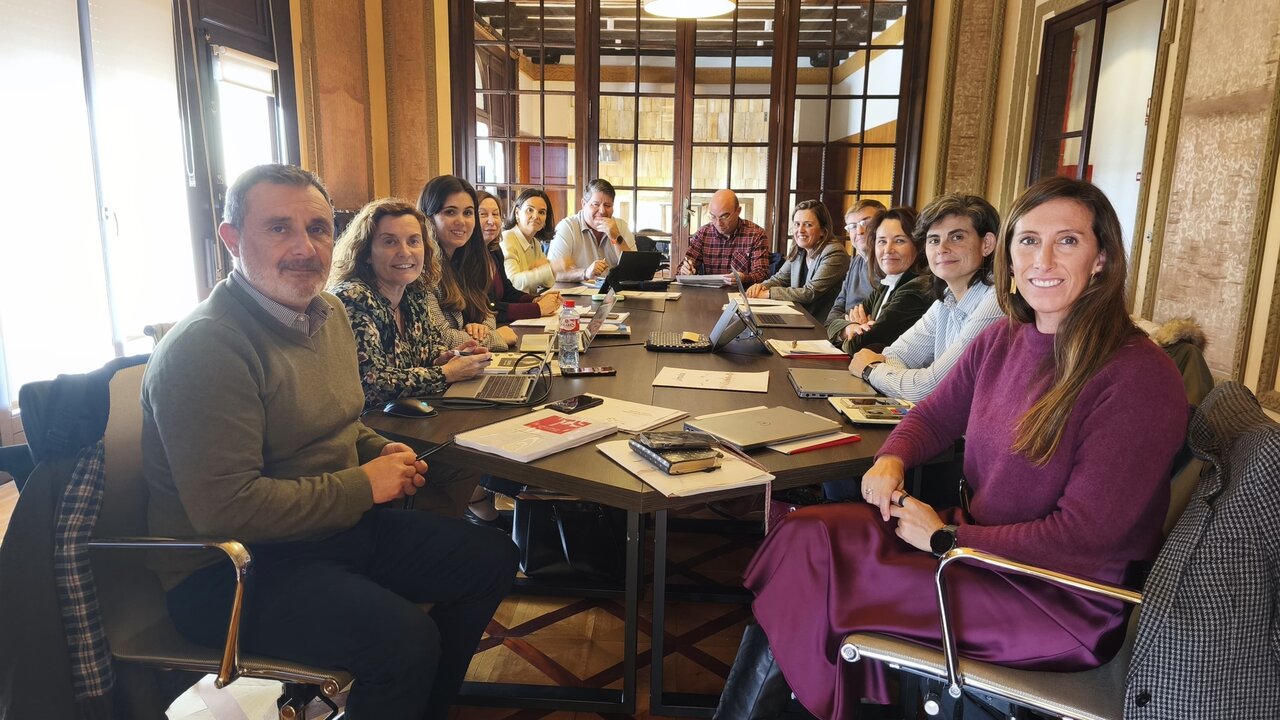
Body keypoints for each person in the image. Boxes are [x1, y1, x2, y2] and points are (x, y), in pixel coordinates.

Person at [715, 177, 1189, 720]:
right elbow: (937, 415)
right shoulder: (1004, 337)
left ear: (1102, 257)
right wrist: (892, 458)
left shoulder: (1136, 375)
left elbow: (1086, 538)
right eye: (1029, 240)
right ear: (1008, 252)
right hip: (974, 549)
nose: (1043, 259)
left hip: (1051, 597)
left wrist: (946, 537)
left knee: (819, 581)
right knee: (806, 535)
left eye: (1068, 241)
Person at [143, 164, 518, 719]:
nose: (305, 248)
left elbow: (344, 423)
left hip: (327, 534)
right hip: (233, 572)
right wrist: (363, 485)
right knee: (404, 641)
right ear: (231, 240)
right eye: (278, 229)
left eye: (318, 228)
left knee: (490, 556)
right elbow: (227, 509)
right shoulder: (208, 348)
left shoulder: (329, 313)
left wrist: (375, 450)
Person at [328, 198, 492, 410]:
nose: (405, 252)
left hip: (408, 416)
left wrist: (449, 357)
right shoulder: (353, 298)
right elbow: (373, 384)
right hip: (368, 428)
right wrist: (448, 372)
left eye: (414, 241)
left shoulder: (415, 293)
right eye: (390, 242)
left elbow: (429, 349)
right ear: (366, 253)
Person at [847, 194, 1003, 402]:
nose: (942, 249)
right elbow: (895, 355)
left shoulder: (995, 302)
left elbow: (928, 389)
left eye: (957, 237)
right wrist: (898, 375)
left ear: (987, 244)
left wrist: (870, 369)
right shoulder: (945, 298)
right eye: (934, 240)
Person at [417, 175, 510, 350]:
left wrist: (483, 329)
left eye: (468, 213)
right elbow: (441, 339)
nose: (461, 221)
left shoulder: (469, 261)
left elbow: (487, 312)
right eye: (450, 212)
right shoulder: (422, 270)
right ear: (429, 218)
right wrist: (495, 337)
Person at [825, 206, 932, 354]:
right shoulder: (887, 284)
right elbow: (831, 325)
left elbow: (859, 346)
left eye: (899, 241)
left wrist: (854, 334)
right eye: (882, 241)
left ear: (918, 245)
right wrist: (849, 328)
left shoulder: (915, 290)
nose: (888, 249)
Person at [746, 199, 850, 320]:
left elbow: (810, 293)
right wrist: (760, 287)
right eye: (797, 224)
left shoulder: (834, 252)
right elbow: (779, 279)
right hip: (799, 318)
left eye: (808, 225)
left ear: (823, 230)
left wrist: (767, 293)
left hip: (821, 325)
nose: (800, 230)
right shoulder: (799, 250)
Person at [478, 190, 560, 323]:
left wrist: (534, 299)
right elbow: (489, 306)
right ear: (517, 213)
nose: (491, 220)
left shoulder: (494, 249)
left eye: (495, 214)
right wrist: (537, 308)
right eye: (483, 214)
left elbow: (508, 290)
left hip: (505, 319)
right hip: (493, 324)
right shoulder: (506, 239)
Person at [548, 178, 636, 283]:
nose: (602, 211)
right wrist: (585, 273)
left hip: (613, 294)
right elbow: (553, 273)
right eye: (596, 204)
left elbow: (634, 271)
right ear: (583, 204)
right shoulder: (567, 227)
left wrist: (616, 237)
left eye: (607, 205)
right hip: (576, 294)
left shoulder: (621, 226)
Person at [677, 189, 770, 284]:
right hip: (709, 293)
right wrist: (684, 271)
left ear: (738, 211)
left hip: (741, 293)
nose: (718, 223)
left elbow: (761, 275)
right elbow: (683, 267)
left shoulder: (756, 234)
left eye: (724, 217)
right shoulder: (703, 233)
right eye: (713, 217)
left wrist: (744, 278)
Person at [825, 199, 886, 330]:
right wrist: (844, 328)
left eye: (866, 223)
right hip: (845, 333)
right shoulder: (855, 261)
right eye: (852, 226)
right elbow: (837, 308)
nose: (859, 231)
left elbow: (875, 321)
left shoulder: (889, 266)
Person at [499, 188, 567, 294]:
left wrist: (547, 266)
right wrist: (551, 267)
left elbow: (549, 282)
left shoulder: (535, 243)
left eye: (541, 212)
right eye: (530, 210)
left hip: (527, 304)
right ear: (517, 213)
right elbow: (513, 283)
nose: (536, 216)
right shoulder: (507, 239)